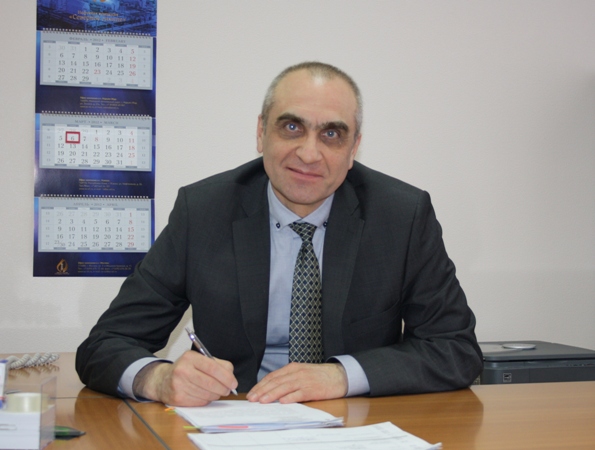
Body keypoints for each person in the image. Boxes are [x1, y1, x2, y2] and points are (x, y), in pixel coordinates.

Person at [76, 61, 483, 407]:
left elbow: (456, 350)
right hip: (236, 422)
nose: (309, 153)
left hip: (354, 425)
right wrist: (159, 379)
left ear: (354, 148)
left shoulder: (401, 216)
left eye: (331, 134)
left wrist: (341, 376)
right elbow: (104, 344)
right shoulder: (203, 212)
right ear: (261, 132)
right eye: (291, 127)